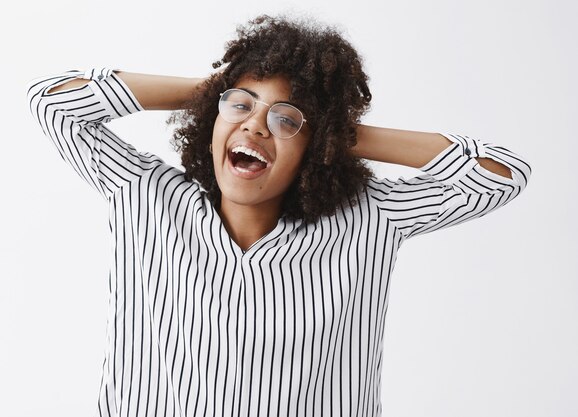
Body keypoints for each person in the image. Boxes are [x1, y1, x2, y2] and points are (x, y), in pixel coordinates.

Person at [26, 15, 531, 417]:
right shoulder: (146, 197)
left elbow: (502, 174)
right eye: (240, 106)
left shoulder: (368, 221)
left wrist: (331, 130)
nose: (256, 127)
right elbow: (53, 103)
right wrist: (214, 93)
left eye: (285, 120)